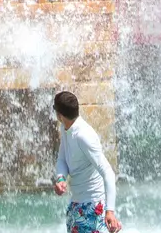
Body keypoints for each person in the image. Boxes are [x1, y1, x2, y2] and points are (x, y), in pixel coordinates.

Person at [52, 91, 121, 233]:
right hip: (75, 205)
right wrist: (61, 178)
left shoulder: (84, 136)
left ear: (60, 115)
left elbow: (108, 172)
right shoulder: (66, 128)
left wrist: (110, 211)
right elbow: (62, 159)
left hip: (92, 207)